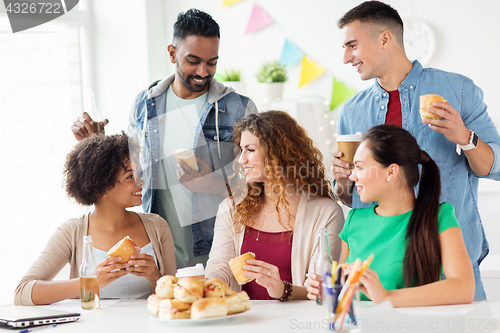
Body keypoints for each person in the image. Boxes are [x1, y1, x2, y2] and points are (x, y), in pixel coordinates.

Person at [332, 0, 500, 301]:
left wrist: (464, 136)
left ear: (385, 38)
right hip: (380, 273)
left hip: (451, 268)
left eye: (352, 45)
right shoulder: (351, 112)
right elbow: (355, 198)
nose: (346, 57)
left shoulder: (458, 91)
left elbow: (495, 167)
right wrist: (343, 180)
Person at [71, 9, 257, 269]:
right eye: (193, 60)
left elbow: (262, 185)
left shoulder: (240, 108)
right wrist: (93, 143)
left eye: (212, 62)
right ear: (172, 53)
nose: (204, 71)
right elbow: (128, 168)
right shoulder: (145, 103)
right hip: (157, 248)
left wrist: (212, 184)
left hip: (219, 249)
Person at [310, 125, 474, 306]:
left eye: (359, 167)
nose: (352, 176)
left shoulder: (439, 217)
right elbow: (347, 293)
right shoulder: (353, 220)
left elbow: (463, 288)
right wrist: (328, 289)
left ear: (391, 172)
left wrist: (387, 297)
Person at [14, 133, 176, 305]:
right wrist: (91, 281)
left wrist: (155, 277)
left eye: (139, 173)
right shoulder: (71, 232)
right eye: (130, 176)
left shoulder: (157, 226)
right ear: (102, 186)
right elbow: (22, 292)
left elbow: (176, 297)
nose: (141, 182)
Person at [205, 111, 344, 301]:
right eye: (241, 150)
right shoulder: (230, 208)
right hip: (243, 320)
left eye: (250, 150)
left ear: (278, 153)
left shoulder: (326, 213)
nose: (241, 159)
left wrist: (282, 290)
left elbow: (319, 289)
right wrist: (207, 285)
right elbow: (219, 266)